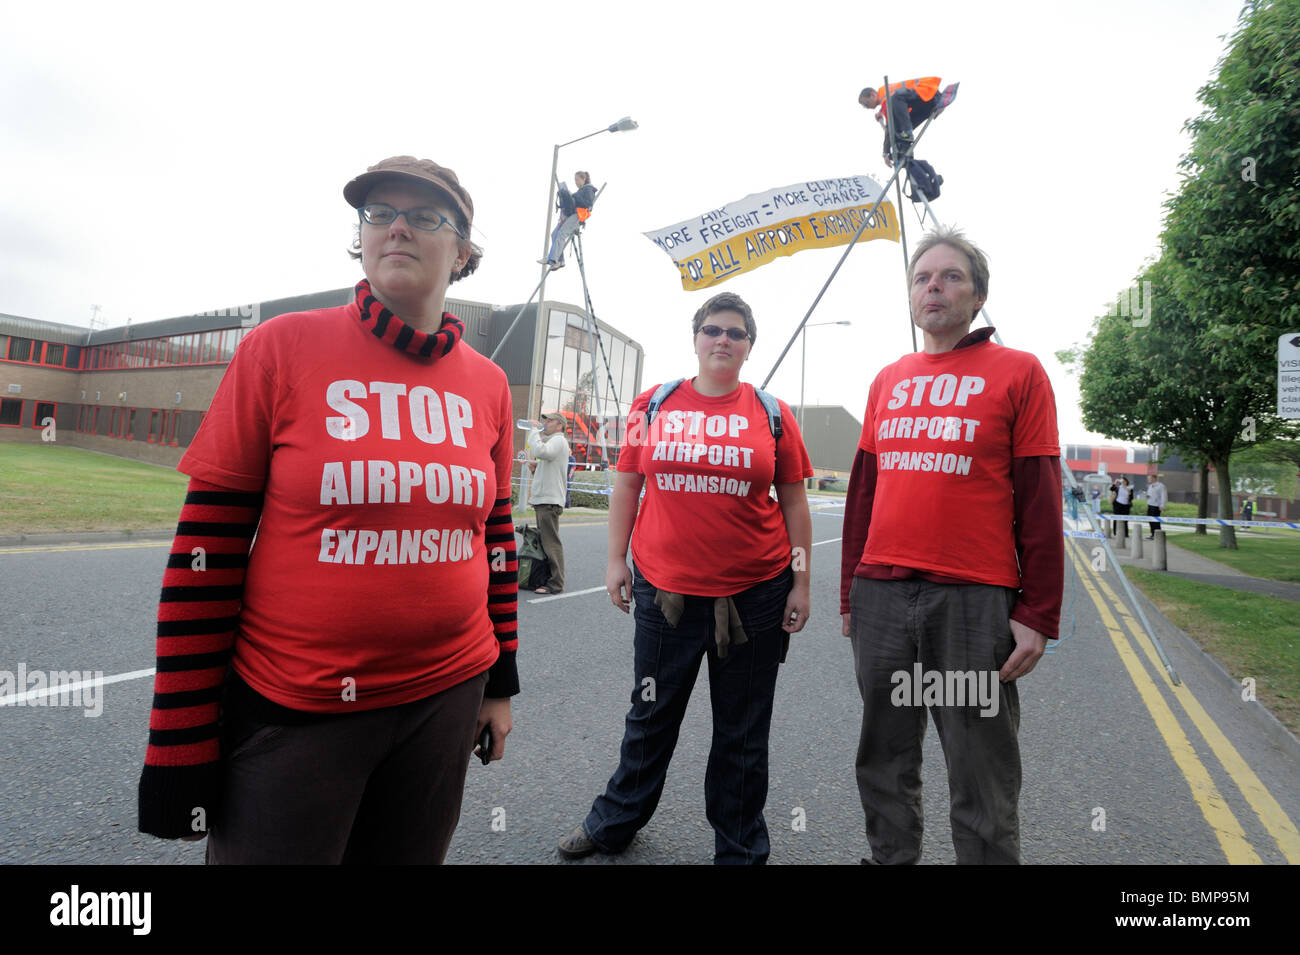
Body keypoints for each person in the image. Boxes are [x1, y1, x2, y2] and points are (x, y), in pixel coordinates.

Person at [136, 156, 518, 864]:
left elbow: (494, 537)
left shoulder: (490, 385)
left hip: (446, 698)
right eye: (379, 213)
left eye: (425, 215)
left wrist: (500, 682)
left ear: (462, 250)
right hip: (298, 712)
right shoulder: (279, 349)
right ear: (362, 237)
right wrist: (180, 741)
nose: (397, 226)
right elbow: (205, 552)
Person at [558, 291, 814, 864]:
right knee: (650, 714)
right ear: (696, 338)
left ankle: (741, 847)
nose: (723, 340)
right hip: (663, 593)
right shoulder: (655, 403)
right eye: (713, 330)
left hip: (756, 595)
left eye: (737, 333)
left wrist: (801, 582)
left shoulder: (771, 414)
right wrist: (613, 560)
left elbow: (795, 502)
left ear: (750, 348)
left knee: (742, 733)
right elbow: (627, 483)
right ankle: (615, 822)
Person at [839, 227, 1063, 865]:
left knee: (978, 765)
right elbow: (863, 496)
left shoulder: (1019, 372)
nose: (932, 286)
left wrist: (1037, 614)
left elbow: (1040, 501)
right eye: (921, 277)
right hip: (881, 596)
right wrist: (849, 594)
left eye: (950, 276)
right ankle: (890, 859)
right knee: (883, 755)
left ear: (979, 294)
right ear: (911, 298)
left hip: (969, 602)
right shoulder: (888, 379)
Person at [527, 412, 571, 594]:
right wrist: (537, 469)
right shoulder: (555, 442)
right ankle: (547, 578)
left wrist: (533, 432)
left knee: (551, 542)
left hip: (549, 501)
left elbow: (541, 451)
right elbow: (547, 461)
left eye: (550, 420)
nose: (545, 423)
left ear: (560, 425)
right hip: (545, 499)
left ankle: (556, 583)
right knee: (546, 542)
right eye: (544, 420)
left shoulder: (559, 440)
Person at [859, 77, 944, 166]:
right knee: (898, 131)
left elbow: (889, 127)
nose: (866, 107)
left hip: (929, 93)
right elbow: (892, 126)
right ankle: (906, 157)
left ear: (872, 95)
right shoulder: (885, 101)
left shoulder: (885, 94)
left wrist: (885, 152)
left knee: (896, 121)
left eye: (866, 103)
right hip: (925, 105)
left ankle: (907, 132)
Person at [539, 171, 596, 270]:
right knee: (554, 234)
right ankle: (556, 258)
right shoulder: (581, 190)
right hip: (573, 214)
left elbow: (588, 204)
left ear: (584, 179)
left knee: (561, 233)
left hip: (579, 216)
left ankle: (554, 260)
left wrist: (574, 196)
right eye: (575, 180)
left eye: (577, 180)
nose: (576, 182)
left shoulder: (588, 189)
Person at [1145, 474, 1167, 539]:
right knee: (1150, 520)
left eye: (1149, 478)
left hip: (1156, 506)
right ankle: (1152, 534)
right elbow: (1150, 494)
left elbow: (1164, 496)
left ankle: (1158, 536)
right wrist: (1148, 496)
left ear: (1154, 478)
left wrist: (1162, 505)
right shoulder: (1150, 486)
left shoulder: (1161, 486)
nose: (1148, 480)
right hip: (1150, 505)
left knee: (1156, 521)